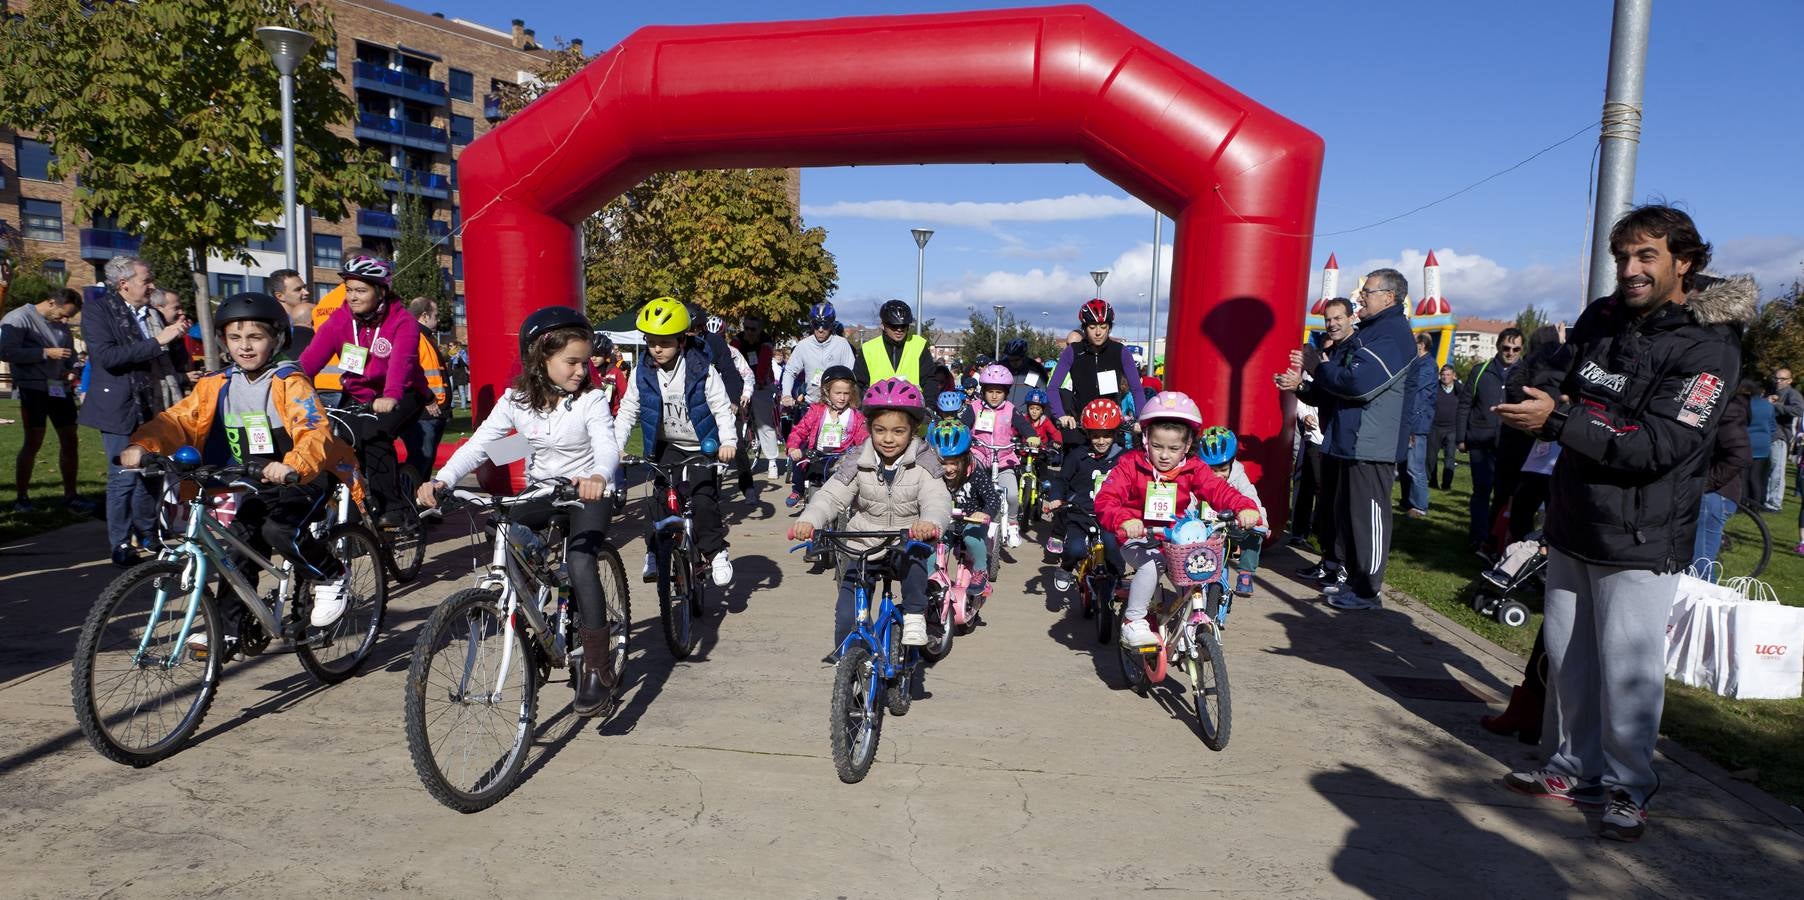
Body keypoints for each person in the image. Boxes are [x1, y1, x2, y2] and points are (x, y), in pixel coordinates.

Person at [1493, 205, 1750, 842]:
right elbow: (1557, 375)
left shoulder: (1709, 344)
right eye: (1622, 258)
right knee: (1568, 659)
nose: (1629, 271)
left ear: (1684, 263)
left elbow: (1660, 442)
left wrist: (1559, 419)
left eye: (1646, 258)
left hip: (1642, 537)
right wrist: (1539, 389)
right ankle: (1569, 769)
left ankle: (1627, 789)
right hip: (1574, 518)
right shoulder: (1602, 316)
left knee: (1627, 670)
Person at [116, 293, 358, 640]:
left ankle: (331, 574)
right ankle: (232, 631)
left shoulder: (289, 381)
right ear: (223, 341)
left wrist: (290, 464)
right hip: (256, 481)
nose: (244, 346)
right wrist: (143, 445)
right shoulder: (217, 383)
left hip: (304, 477)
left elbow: (312, 430)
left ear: (276, 340)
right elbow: (179, 419)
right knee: (239, 548)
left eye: (255, 337)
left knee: (279, 531)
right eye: (235, 338)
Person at [419, 306, 622, 716]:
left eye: (585, 362)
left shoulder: (592, 401)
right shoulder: (516, 401)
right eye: (572, 362)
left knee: (581, 564)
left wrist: (599, 475)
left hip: (587, 494)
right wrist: (444, 480)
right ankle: (536, 623)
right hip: (541, 493)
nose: (582, 370)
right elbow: (481, 445)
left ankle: (599, 669)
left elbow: (606, 445)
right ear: (540, 359)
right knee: (509, 539)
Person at [1275, 270, 1416, 611]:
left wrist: (1318, 366)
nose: (1360, 297)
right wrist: (1304, 385)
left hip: (1372, 443)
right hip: (1348, 440)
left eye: (1366, 291)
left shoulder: (1393, 335)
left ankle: (1368, 590)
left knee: (1368, 518)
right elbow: (1336, 391)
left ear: (1389, 297)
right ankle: (1354, 583)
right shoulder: (1374, 332)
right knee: (1347, 518)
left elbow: (1358, 384)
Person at [789, 378, 949, 651]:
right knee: (847, 614)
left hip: (905, 541)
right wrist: (809, 519)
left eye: (898, 431)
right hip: (864, 545)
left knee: (915, 561)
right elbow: (830, 495)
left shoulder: (924, 461)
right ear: (869, 429)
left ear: (912, 431)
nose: (888, 439)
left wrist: (930, 523)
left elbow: (937, 499)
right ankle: (849, 669)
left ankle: (913, 617)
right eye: (880, 430)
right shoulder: (857, 460)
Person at [1093, 392, 1260, 648]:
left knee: (1197, 569)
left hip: (1176, 537)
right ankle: (1133, 620)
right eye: (1157, 446)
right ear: (1146, 440)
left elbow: (1219, 490)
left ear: (1188, 444)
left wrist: (1244, 507)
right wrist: (1124, 520)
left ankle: (1190, 623)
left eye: (1173, 448)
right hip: (1139, 538)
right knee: (1151, 565)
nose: (1164, 455)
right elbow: (1106, 499)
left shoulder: (1193, 468)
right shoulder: (1130, 465)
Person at [613, 296, 738, 586]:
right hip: (666, 446)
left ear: (681, 341)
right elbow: (628, 411)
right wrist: (616, 446)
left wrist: (728, 441)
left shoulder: (701, 369)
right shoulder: (642, 372)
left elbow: (720, 406)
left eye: (665, 342)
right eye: (652, 341)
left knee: (704, 499)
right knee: (657, 502)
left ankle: (716, 552)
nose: (657, 348)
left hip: (700, 445)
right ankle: (655, 553)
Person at [298, 254, 428, 527]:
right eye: (348, 290)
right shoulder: (339, 320)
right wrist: (287, 382)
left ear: (381, 291)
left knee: (372, 433)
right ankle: (336, 512)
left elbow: (401, 362)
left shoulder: (401, 321)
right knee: (328, 438)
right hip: (359, 394)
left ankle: (392, 507)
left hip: (402, 393)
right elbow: (309, 360)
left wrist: (390, 395)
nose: (352, 297)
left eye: (360, 290)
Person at [80, 255, 193, 566]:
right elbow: (108, 357)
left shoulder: (152, 314)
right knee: (124, 477)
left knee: (152, 473)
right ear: (123, 284)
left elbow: (174, 359)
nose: (151, 285)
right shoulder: (99, 311)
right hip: (119, 406)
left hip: (153, 404)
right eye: (146, 280)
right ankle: (119, 543)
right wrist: (159, 340)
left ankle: (149, 534)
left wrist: (175, 335)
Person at [2, 287, 91, 512]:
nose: (63, 320)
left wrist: (71, 371)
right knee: (34, 441)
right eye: (62, 315)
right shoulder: (18, 318)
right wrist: (44, 353)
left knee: (70, 439)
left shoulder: (62, 324)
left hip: (58, 388)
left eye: (68, 318)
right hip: (33, 388)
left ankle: (71, 495)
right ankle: (22, 497)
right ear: (51, 302)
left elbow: (69, 354)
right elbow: (5, 352)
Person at [1293, 297, 1354, 571]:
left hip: (1347, 440)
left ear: (1351, 318)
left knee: (1341, 506)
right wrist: (1299, 387)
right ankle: (1329, 561)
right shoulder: (1337, 353)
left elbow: (1347, 388)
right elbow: (1321, 393)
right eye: (1328, 320)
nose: (1332, 324)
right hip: (1326, 437)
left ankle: (1343, 566)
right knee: (1327, 503)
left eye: (1338, 318)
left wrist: (1318, 369)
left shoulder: (1355, 351)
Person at [1046, 397, 1126, 589]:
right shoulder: (1077, 456)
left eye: (1106, 435)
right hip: (1080, 515)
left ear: (1115, 434)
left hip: (1110, 516)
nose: (1101, 441)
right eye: (1095, 435)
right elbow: (1061, 480)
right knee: (1075, 549)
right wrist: (1056, 497)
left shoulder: (1123, 458)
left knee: (1112, 546)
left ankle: (1118, 576)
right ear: (1087, 434)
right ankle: (1066, 568)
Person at [1458, 327, 1525, 552]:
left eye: (1516, 349)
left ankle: (1495, 539)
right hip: (1480, 440)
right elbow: (1465, 404)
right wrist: (1461, 437)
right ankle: (1478, 536)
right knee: (1482, 489)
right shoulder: (1480, 371)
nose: (1510, 353)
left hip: (1511, 443)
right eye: (1506, 348)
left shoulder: (1526, 374)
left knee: (1504, 493)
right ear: (1498, 347)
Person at [1048, 298, 1146, 444]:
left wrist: (1140, 419)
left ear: (1109, 327)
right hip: (1080, 428)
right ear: (1085, 328)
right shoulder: (1072, 352)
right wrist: (1061, 415)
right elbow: (1052, 388)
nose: (1098, 332)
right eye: (1092, 327)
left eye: (1103, 326)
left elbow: (1137, 389)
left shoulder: (1120, 351)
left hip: (1111, 430)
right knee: (1071, 464)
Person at [963, 363, 1037, 548]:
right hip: (978, 454)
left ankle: (1012, 522)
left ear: (1006, 392)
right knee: (970, 488)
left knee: (1011, 493)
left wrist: (1032, 436)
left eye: (999, 392)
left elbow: (1024, 425)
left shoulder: (1010, 409)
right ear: (984, 391)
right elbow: (963, 425)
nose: (994, 396)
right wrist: (962, 436)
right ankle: (969, 518)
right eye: (990, 391)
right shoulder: (974, 407)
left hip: (1004, 458)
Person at [928, 419, 999, 600]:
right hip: (946, 522)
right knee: (931, 545)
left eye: (954, 463)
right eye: (943, 463)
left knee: (971, 538)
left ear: (965, 458)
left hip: (972, 522)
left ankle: (980, 571)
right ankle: (929, 580)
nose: (949, 469)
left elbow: (992, 499)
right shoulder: (932, 476)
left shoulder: (975, 474)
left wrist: (985, 513)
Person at [1197, 425, 1268, 598]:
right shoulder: (1197, 476)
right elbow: (1189, 499)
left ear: (1232, 462)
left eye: (1222, 470)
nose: (1218, 476)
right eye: (1212, 470)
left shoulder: (1238, 476)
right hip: (1206, 526)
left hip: (1233, 524)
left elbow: (1251, 496)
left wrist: (1259, 517)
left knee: (1255, 534)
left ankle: (1245, 573)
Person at [784, 365, 866, 508]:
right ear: (827, 392)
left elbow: (863, 438)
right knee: (799, 462)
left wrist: (864, 452)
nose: (842, 397)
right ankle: (798, 490)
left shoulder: (856, 416)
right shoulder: (817, 411)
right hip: (817, 454)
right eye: (837, 393)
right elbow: (800, 430)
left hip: (843, 457)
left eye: (846, 393)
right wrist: (793, 447)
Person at [1692, 380, 1751, 568]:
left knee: (1697, 567)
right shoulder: (1724, 405)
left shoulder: (1727, 407)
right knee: (1701, 567)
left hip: (1713, 495)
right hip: (1713, 493)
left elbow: (1740, 455)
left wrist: (1706, 484)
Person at [399, 297, 452, 479]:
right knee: (421, 458)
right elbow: (409, 373)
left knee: (426, 460)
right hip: (422, 413)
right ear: (424, 316)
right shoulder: (413, 337)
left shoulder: (424, 337)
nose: (438, 320)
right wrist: (428, 397)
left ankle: (419, 498)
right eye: (435, 316)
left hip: (432, 411)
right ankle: (412, 498)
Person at [852, 299, 941, 399]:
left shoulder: (919, 345)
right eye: (894, 326)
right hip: (877, 409)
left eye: (903, 326)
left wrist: (929, 407)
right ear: (883, 325)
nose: (899, 330)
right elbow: (858, 384)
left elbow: (930, 380)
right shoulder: (869, 348)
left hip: (913, 408)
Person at [732, 314, 782, 479]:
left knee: (764, 422)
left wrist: (759, 381)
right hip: (741, 383)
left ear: (759, 330)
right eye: (746, 328)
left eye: (753, 329)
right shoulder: (737, 341)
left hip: (761, 383)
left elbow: (764, 363)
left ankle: (772, 461)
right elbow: (730, 360)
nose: (749, 332)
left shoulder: (765, 342)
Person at [782, 301, 856, 406]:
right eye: (816, 325)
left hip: (836, 406)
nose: (820, 330)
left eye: (825, 325)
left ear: (831, 325)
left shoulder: (842, 344)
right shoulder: (803, 345)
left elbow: (851, 374)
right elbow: (789, 371)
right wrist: (786, 395)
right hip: (811, 404)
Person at [1398, 334, 1437, 518]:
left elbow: (1414, 390)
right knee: (1406, 465)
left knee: (1415, 467)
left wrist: (1412, 427)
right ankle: (1408, 501)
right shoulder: (1419, 364)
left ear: (1421, 345)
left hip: (1417, 423)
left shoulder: (1427, 365)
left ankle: (1420, 505)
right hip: (1411, 421)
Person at [1766, 368, 1802, 511]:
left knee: (1777, 470)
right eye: (1776, 378)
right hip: (1768, 434)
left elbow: (1799, 410)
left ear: (1790, 380)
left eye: (1782, 379)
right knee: (1767, 469)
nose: (1778, 381)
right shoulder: (1771, 391)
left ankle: (1775, 503)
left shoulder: (1793, 394)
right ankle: (1766, 499)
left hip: (1781, 435)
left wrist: (1777, 406)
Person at [1429, 364, 1464, 490]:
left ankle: (1446, 485)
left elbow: (1466, 404)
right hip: (1435, 427)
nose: (1445, 377)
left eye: (1448, 375)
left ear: (1453, 376)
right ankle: (1432, 482)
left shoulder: (1459, 389)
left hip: (1452, 428)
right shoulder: (1434, 387)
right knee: (1432, 457)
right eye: (1443, 375)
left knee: (1449, 457)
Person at [1744, 378, 1775, 511]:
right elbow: (1773, 426)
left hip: (1747, 441)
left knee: (1744, 476)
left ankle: (1742, 503)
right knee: (1756, 476)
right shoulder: (1768, 406)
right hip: (1763, 443)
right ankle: (1756, 505)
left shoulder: (1745, 404)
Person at [268, 268, 314, 358]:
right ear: (280, 296)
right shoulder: (274, 327)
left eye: (304, 287)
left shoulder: (315, 315)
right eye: (298, 290)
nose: (306, 292)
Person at [999, 337, 1046, 407]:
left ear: (1024, 357)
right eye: (1010, 360)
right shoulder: (1001, 367)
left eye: (1016, 360)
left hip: (1026, 415)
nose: (1013, 363)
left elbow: (1042, 394)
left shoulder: (1035, 369)